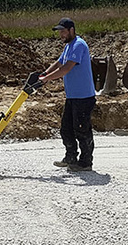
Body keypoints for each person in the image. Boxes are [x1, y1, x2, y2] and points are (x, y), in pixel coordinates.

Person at [39, 18, 96, 172]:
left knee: (82, 130)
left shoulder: (78, 45)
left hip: (84, 97)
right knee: (66, 129)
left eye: (63, 31)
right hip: (72, 97)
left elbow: (66, 69)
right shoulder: (68, 46)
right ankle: (71, 157)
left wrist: (46, 79)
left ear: (71, 30)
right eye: (60, 32)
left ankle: (85, 162)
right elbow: (58, 63)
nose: (61, 35)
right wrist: (44, 73)